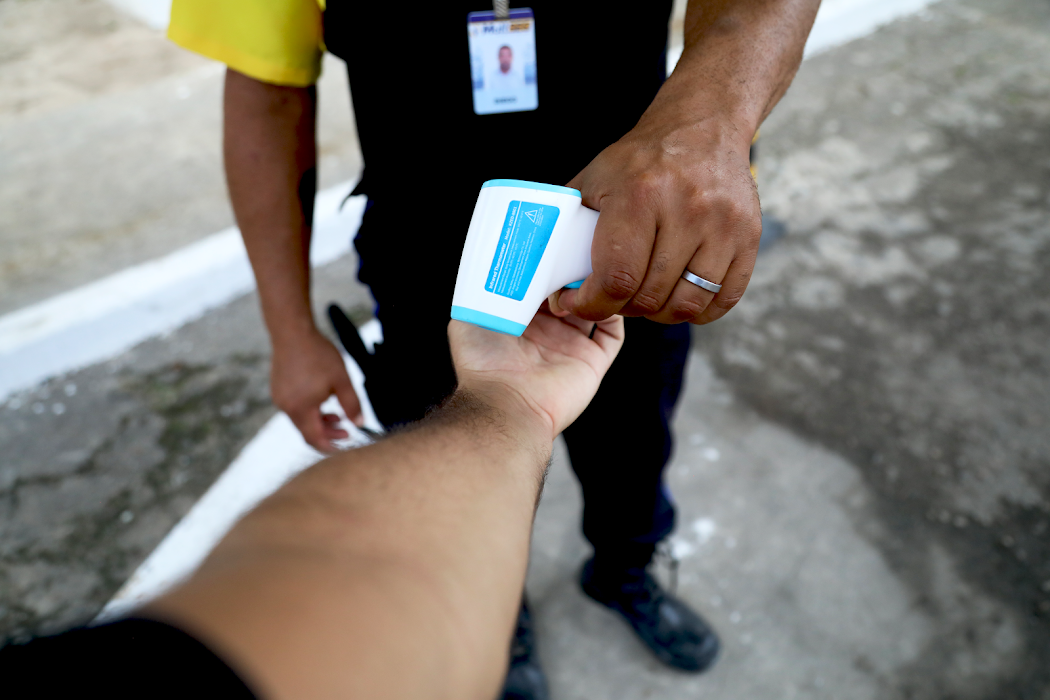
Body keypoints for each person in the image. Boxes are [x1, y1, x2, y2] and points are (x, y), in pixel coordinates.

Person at [167, 1, 819, 697]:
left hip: (629, 243)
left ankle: (626, 564)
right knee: (445, 450)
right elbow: (264, 91)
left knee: (634, 440)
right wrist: (290, 332)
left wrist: (712, 122)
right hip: (429, 262)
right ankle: (499, 613)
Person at [0, 310, 625, 699]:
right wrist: (290, 326)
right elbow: (348, 565)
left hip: (612, 296)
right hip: (428, 249)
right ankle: (509, 621)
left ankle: (628, 568)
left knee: (632, 456)